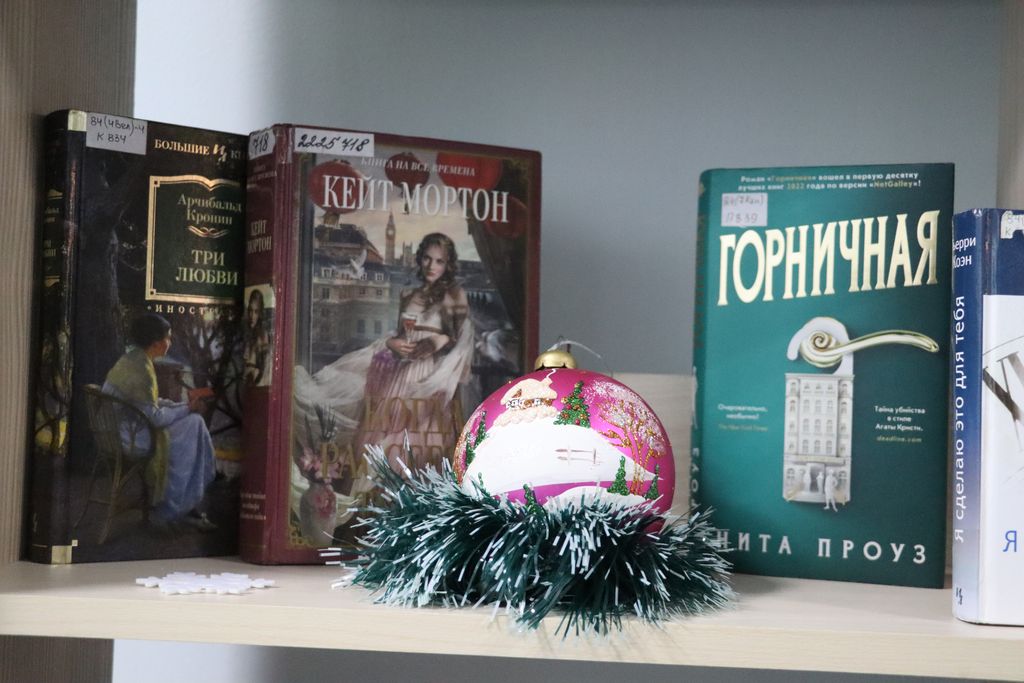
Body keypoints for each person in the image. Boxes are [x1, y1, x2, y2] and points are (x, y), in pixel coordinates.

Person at [102, 313, 217, 531]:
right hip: (131, 437)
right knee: (195, 424)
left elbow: (147, 404)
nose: (170, 342)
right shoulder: (142, 371)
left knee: (193, 423)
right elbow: (154, 417)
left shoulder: (132, 359)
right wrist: (187, 408)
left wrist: (180, 406)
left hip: (120, 430)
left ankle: (186, 503)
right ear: (156, 343)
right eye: (168, 338)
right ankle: (176, 507)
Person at [243, 288, 270, 386]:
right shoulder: (246, 330)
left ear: (260, 313)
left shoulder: (262, 335)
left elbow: (263, 368)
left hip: (254, 381)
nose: (252, 316)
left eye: (256, 312)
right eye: (250, 310)